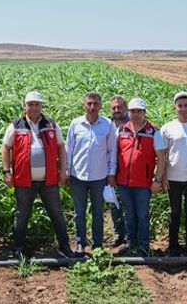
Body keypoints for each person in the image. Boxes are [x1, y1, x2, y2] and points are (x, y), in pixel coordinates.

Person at [1, 91, 74, 258]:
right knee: (22, 215)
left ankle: (64, 247)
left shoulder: (51, 124)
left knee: (57, 214)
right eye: (30, 104)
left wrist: (64, 170)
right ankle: (19, 250)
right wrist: (6, 171)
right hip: (24, 180)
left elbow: (61, 147)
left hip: (49, 180)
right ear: (24, 106)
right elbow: (5, 147)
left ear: (41, 106)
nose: (34, 107)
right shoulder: (15, 125)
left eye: (37, 104)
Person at [67, 92, 117, 255]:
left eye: (95, 103)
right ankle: (81, 242)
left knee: (98, 212)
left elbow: (112, 151)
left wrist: (111, 173)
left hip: (100, 177)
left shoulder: (108, 124)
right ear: (84, 105)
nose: (92, 106)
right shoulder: (76, 124)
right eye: (89, 103)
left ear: (101, 106)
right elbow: (69, 149)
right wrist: (67, 171)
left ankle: (97, 244)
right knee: (79, 212)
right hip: (77, 176)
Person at [115, 98, 165, 256]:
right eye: (132, 111)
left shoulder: (153, 132)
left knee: (142, 214)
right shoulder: (122, 130)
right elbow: (115, 155)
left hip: (143, 183)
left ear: (144, 112)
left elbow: (162, 158)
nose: (135, 114)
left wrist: (157, 180)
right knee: (128, 213)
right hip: (123, 182)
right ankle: (131, 244)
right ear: (128, 112)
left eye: (139, 111)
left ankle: (143, 245)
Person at [159, 91, 187, 256]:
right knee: (175, 212)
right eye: (180, 106)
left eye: (186, 105)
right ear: (175, 108)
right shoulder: (167, 128)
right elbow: (162, 155)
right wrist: (163, 177)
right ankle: (173, 247)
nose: (183, 108)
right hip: (173, 178)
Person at [108, 95, 129, 246]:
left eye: (120, 107)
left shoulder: (133, 123)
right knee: (113, 202)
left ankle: (129, 234)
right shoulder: (106, 125)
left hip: (128, 171)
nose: (117, 110)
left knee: (128, 203)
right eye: (114, 107)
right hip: (110, 171)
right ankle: (118, 233)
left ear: (126, 108)